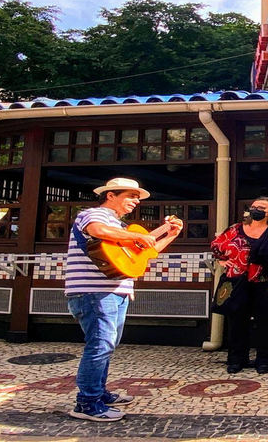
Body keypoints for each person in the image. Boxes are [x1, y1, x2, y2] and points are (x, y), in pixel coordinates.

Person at [65, 177, 183, 422]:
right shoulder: (93, 214)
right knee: (100, 345)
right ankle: (86, 403)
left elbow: (146, 253)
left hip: (115, 291)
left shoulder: (120, 226)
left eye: (137, 197)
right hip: (93, 292)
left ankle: (99, 393)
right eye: (130, 195)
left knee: (107, 345)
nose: (135, 201)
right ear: (111, 195)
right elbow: (98, 231)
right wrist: (134, 238)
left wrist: (170, 234)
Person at [211, 196, 268, 375]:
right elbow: (217, 246)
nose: (256, 209)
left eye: (261, 207)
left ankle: (265, 360)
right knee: (237, 322)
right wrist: (222, 261)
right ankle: (236, 360)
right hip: (237, 281)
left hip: (266, 282)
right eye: (254, 206)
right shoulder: (235, 229)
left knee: (266, 322)